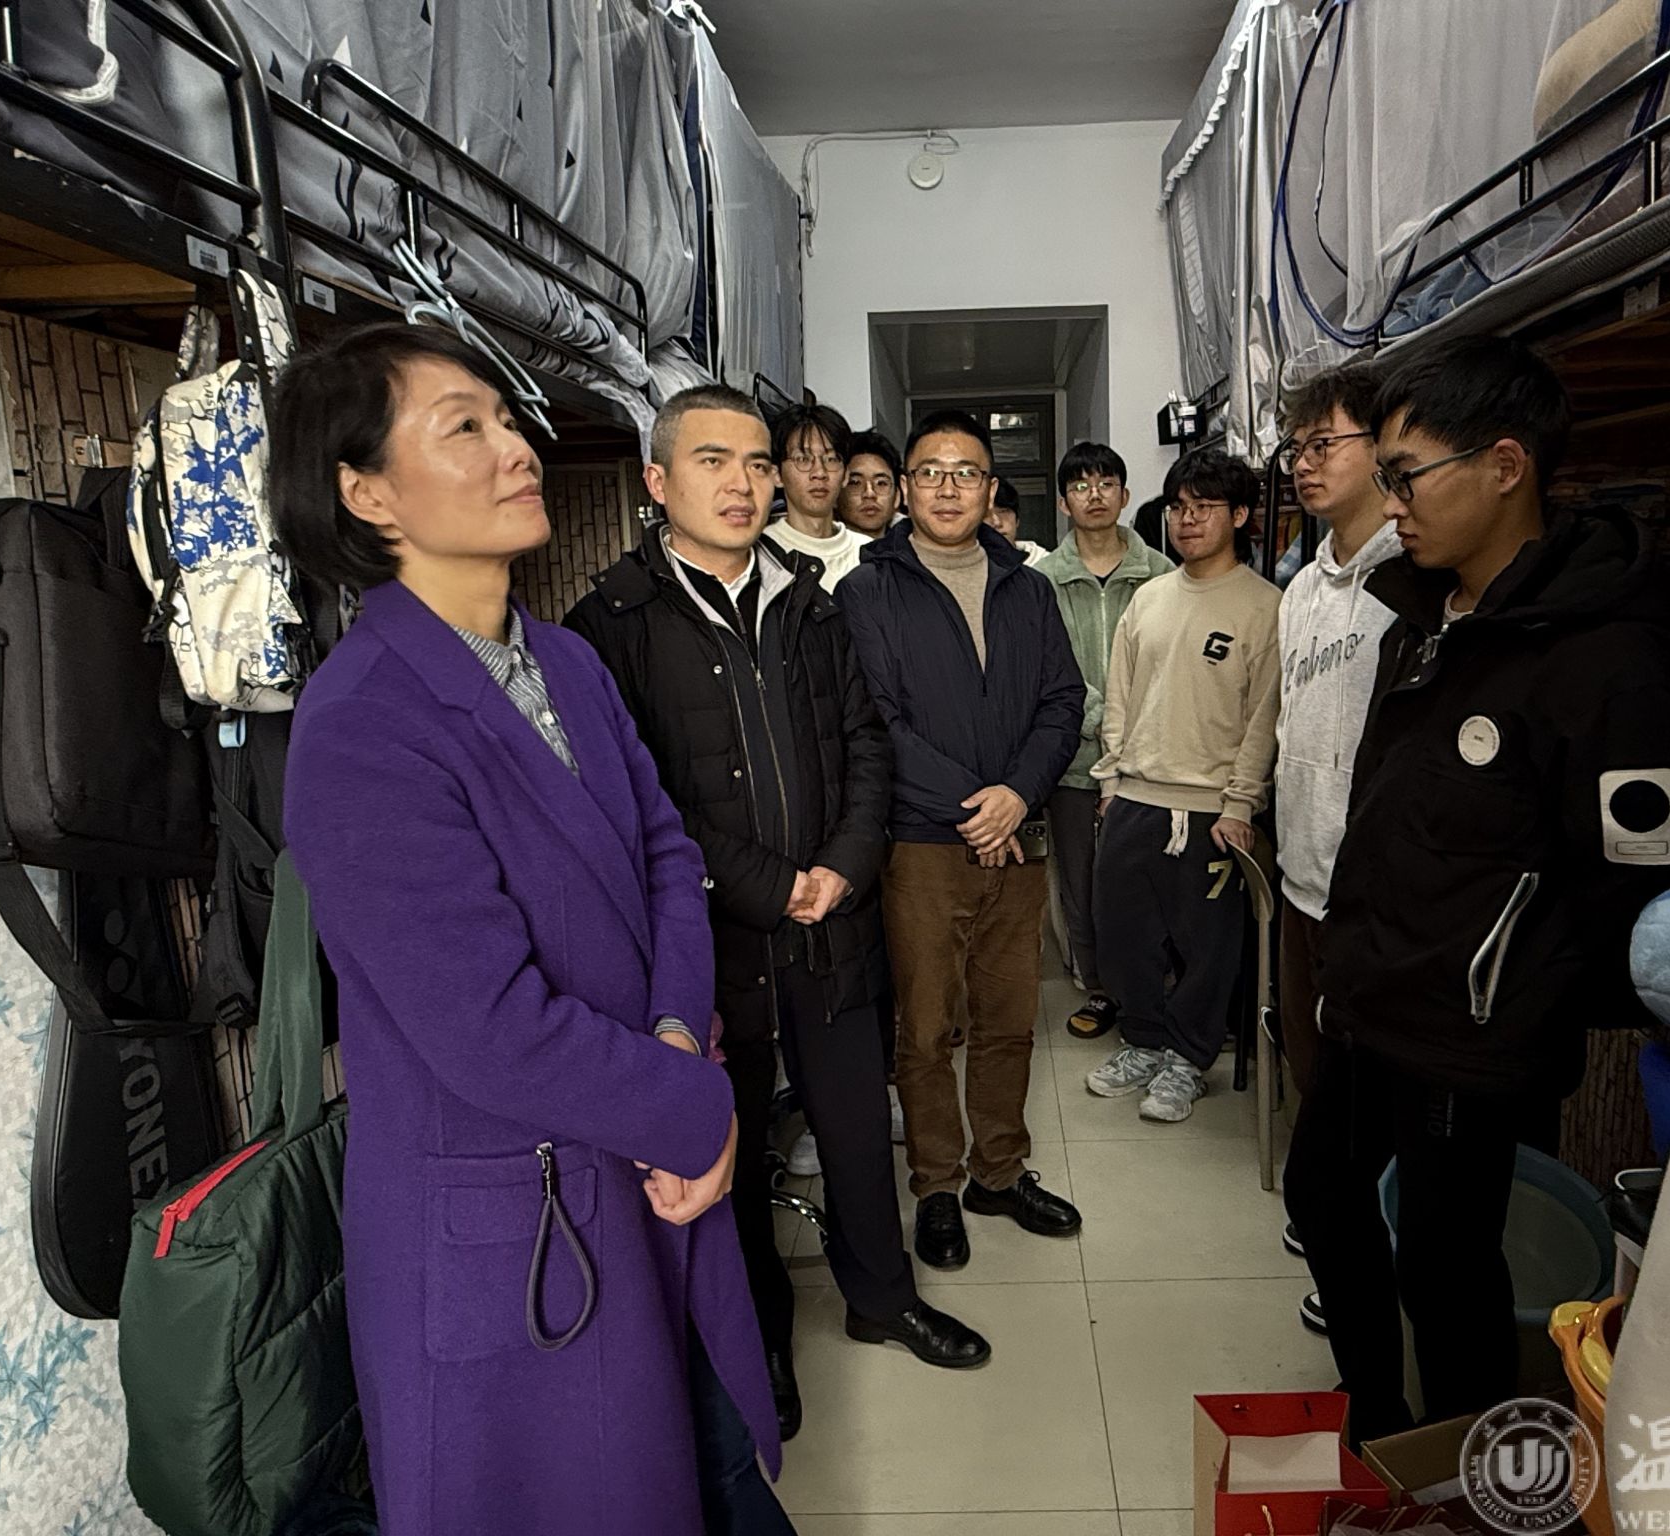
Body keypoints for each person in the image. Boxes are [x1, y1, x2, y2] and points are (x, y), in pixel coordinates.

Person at [272, 324, 789, 1536]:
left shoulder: (563, 662)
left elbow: (665, 857)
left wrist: (677, 1034)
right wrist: (693, 1107)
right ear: (365, 493)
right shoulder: (361, 722)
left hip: (643, 1158)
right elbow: (486, 1029)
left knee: (708, 1473)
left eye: (508, 420)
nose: (516, 449)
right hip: (517, 1215)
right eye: (465, 427)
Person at [1292, 337, 1670, 1440]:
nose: (1391, 504)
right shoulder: (1425, 623)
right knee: (1323, 1197)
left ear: (1505, 465)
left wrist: (1514, 993)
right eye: (1384, 475)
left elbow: (1646, 886)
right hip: (1371, 995)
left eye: (1408, 475)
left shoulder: (1601, 658)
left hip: (1467, 1031)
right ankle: (1375, 1420)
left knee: (1446, 1264)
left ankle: (1465, 1472)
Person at [565, 387, 991, 1445]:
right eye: (713, 461)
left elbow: (865, 743)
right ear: (658, 481)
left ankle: (881, 1298)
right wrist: (767, 883)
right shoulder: (609, 625)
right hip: (708, 945)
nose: (744, 484)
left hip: (832, 921)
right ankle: (756, 1338)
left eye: (758, 464)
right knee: (735, 1142)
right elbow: (633, 799)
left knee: (855, 1128)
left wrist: (842, 865)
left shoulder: (811, 603)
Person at [836, 409, 1086, 1271]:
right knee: (926, 1028)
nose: (948, 487)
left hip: (1019, 839)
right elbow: (877, 721)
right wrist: (977, 806)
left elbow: (1062, 701)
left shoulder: (1028, 587)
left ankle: (999, 1172)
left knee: (1011, 1020)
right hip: (922, 845)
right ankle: (937, 1184)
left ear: (990, 488)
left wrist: (1018, 795)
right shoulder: (867, 591)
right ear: (906, 489)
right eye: (931, 472)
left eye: (966, 472)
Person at [1084, 448, 1281, 1123]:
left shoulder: (1264, 607)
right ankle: (1143, 1040)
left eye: (1203, 507)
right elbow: (1119, 696)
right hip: (1135, 798)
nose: (1187, 520)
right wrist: (1111, 781)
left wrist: (1240, 802)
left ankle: (1188, 1059)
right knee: (1122, 937)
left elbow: (1264, 719)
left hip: (1211, 812)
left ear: (1241, 515)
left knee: (1208, 945)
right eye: (1177, 507)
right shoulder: (1149, 597)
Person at [1269, 362, 1399, 1334]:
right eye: (1296, 449)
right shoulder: (1301, 587)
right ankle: (1331, 1220)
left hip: (1377, 896)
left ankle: (1365, 1256)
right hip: (1301, 874)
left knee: (1373, 1095)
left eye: (1325, 444)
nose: (1306, 465)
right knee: (1312, 1066)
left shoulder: (1411, 581)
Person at [1034, 442, 1175, 1039]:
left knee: (1146, 883)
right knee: (1082, 884)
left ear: (1124, 494)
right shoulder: (1040, 581)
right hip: (1071, 760)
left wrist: (1127, 725)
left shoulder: (1162, 575)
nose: (1094, 495)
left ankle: (1153, 989)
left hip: (1148, 759)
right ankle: (1099, 988)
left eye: (1106, 483)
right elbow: (1043, 669)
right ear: (1063, 503)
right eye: (1080, 485)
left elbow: (1170, 666)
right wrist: (1100, 717)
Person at [764, 403, 868, 591]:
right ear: (776, 474)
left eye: (831, 459)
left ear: (845, 475)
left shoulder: (868, 553)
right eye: (803, 459)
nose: (819, 473)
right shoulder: (763, 554)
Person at [839, 429, 905, 537]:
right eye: (855, 483)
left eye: (881, 483)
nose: (869, 494)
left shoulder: (911, 545)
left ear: (897, 497)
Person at [987, 477, 1049, 566]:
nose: (997, 522)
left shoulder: (1047, 565)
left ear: (1017, 520)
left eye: (1003, 511)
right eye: (986, 515)